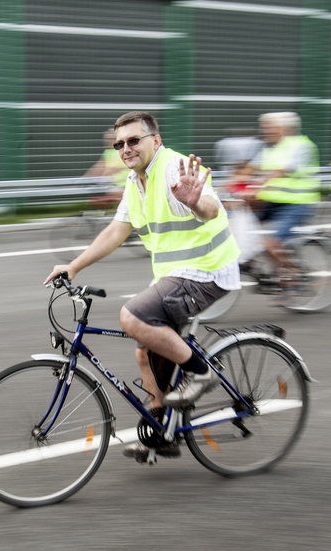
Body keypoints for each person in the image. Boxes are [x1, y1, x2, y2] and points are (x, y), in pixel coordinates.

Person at [43, 111, 241, 461]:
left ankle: (200, 372)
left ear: (155, 140)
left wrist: (196, 201)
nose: (125, 148)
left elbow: (209, 208)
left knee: (133, 317)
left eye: (134, 140)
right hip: (174, 275)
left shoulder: (174, 168)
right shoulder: (135, 181)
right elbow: (116, 231)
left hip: (206, 271)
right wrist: (73, 266)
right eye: (120, 143)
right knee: (145, 351)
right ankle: (163, 431)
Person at [238, 112, 319, 286]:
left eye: (269, 126)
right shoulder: (269, 148)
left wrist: (257, 186)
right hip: (271, 203)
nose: (264, 130)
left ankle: (293, 277)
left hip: (296, 203)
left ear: (282, 128)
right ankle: (248, 260)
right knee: (236, 222)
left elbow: (282, 170)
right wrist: (230, 184)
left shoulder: (301, 145)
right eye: (264, 126)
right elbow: (250, 169)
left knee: (271, 243)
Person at [82, 128, 131, 200]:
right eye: (106, 139)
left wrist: (100, 181)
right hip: (114, 185)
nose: (107, 141)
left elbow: (113, 170)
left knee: (110, 193)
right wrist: (83, 179)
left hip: (126, 185)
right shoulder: (108, 152)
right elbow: (98, 167)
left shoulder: (121, 151)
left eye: (111, 139)